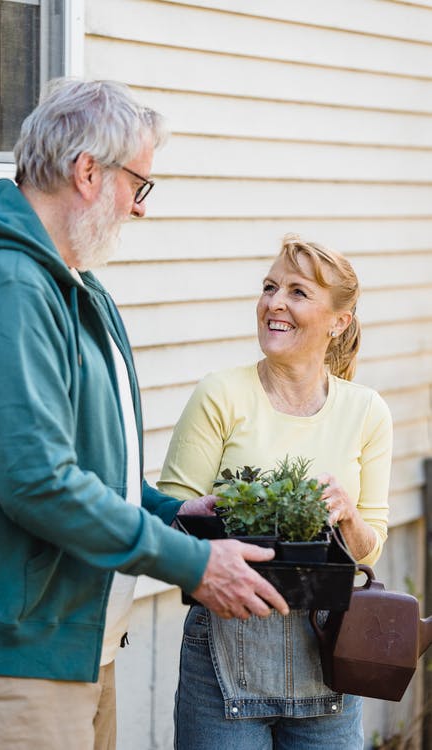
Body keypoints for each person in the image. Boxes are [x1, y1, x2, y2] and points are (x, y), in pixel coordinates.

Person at [0, 78, 289, 750]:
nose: (140, 208)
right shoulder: (4, 285)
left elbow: (88, 467)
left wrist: (172, 513)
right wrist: (193, 565)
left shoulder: (74, 287)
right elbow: (37, 482)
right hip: (14, 659)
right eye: (140, 185)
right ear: (88, 171)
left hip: (78, 642)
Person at [158, 234, 393, 750]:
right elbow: (169, 520)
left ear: (338, 322)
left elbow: (368, 545)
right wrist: (204, 518)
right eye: (269, 287)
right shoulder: (220, 394)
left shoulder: (367, 411)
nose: (274, 303)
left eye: (297, 292)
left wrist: (349, 518)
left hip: (328, 662)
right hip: (223, 657)